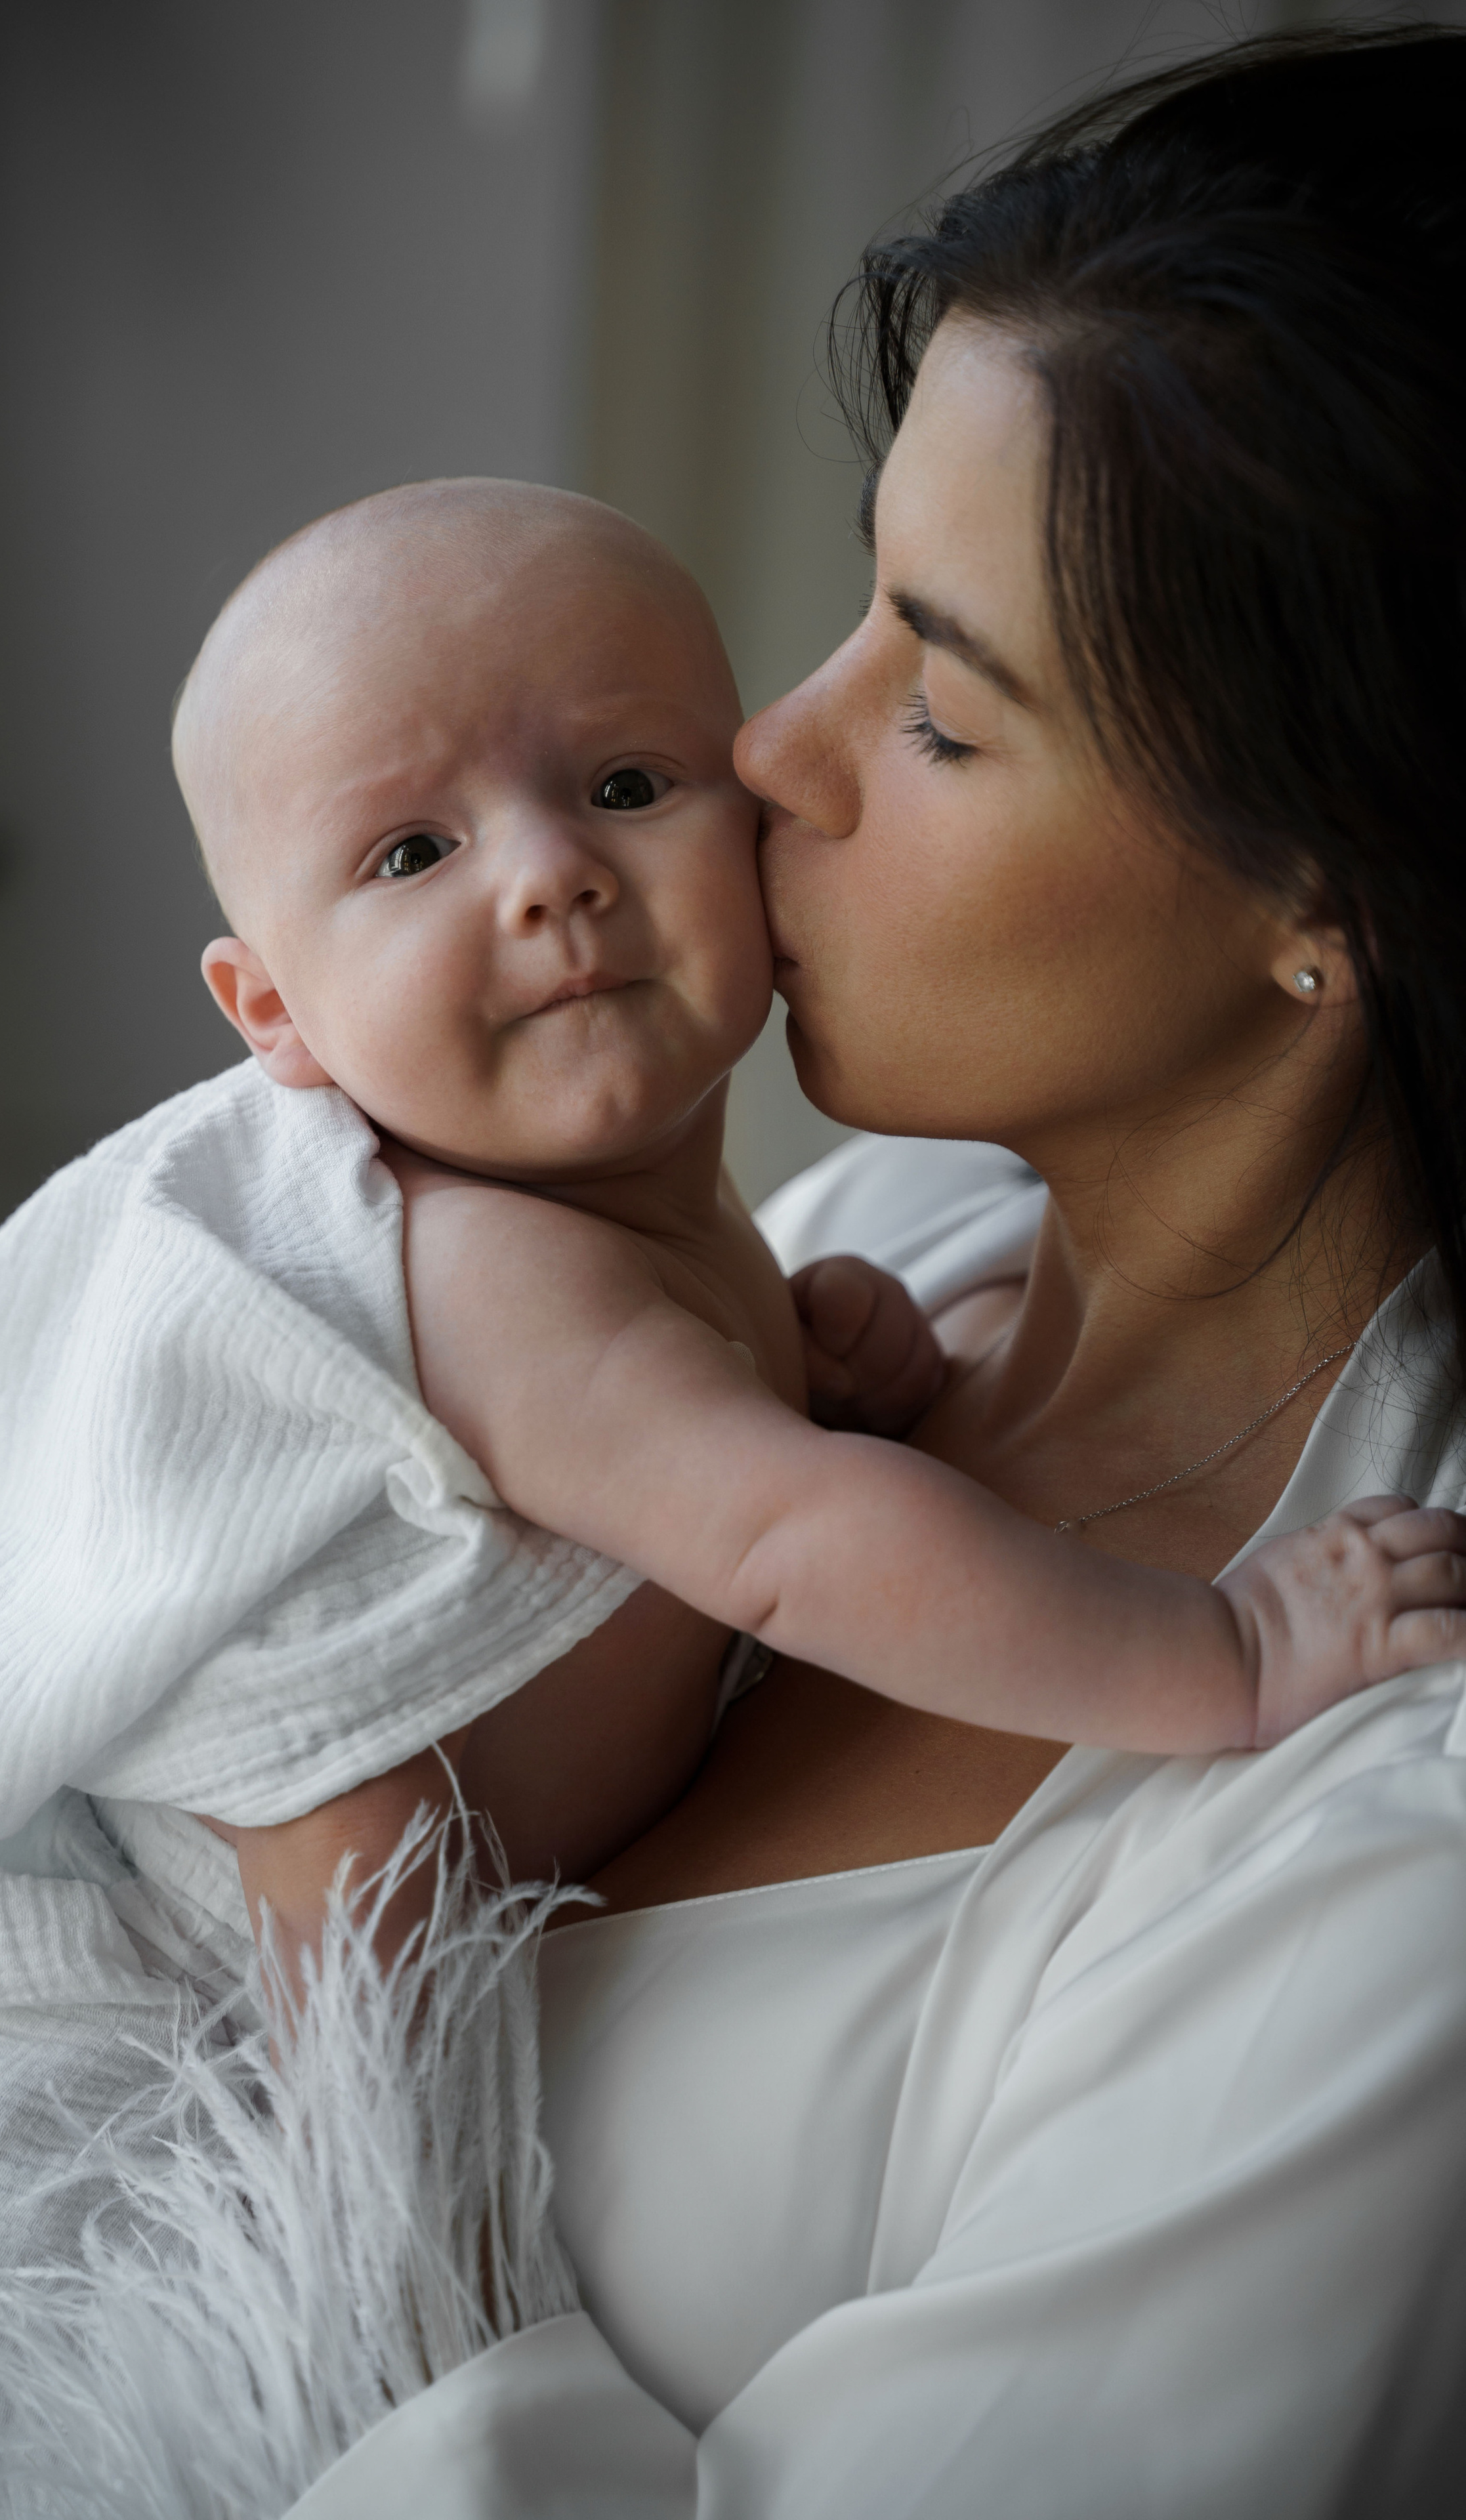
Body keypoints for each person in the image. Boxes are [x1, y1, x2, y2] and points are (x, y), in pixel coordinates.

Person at [0, 454, 1454, 2517]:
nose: (550, 878)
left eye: (630, 784)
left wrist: (785, 1351)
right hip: (158, 2045)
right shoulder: (501, 1268)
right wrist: (1223, 1653)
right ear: (272, 1016)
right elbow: (780, 1538)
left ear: (1325, 890)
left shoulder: (1397, 1863)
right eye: (410, 849)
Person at [270, 22, 1466, 2519]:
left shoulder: (1393, 1866)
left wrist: (343, 2090)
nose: (762, 756)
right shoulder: (852, 1264)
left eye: (940, 700)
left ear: (1321, 901)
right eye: (855, 598)